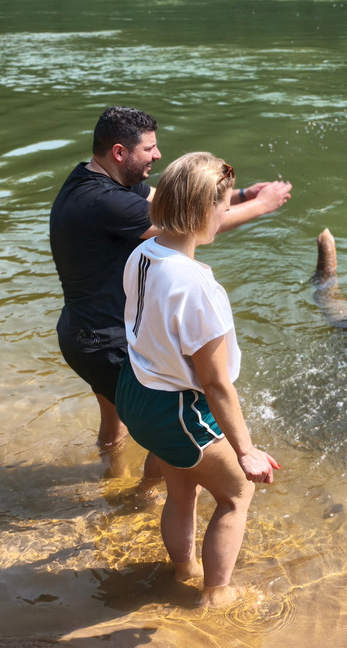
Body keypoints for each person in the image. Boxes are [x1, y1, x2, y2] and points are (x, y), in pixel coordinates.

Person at [49, 106, 291, 484]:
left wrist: (236, 193)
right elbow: (188, 221)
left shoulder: (98, 179)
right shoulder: (107, 202)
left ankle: (113, 478)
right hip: (105, 340)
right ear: (119, 152)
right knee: (164, 429)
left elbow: (171, 199)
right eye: (150, 149)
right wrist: (263, 205)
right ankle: (141, 495)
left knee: (116, 420)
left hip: (84, 332)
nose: (158, 155)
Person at [116, 152, 279, 607]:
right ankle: (216, 593)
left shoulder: (143, 254)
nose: (226, 213)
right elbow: (216, 384)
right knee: (236, 493)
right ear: (202, 209)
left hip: (138, 391)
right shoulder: (197, 285)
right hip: (176, 407)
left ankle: (184, 568)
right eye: (223, 204)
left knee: (181, 489)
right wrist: (246, 451)